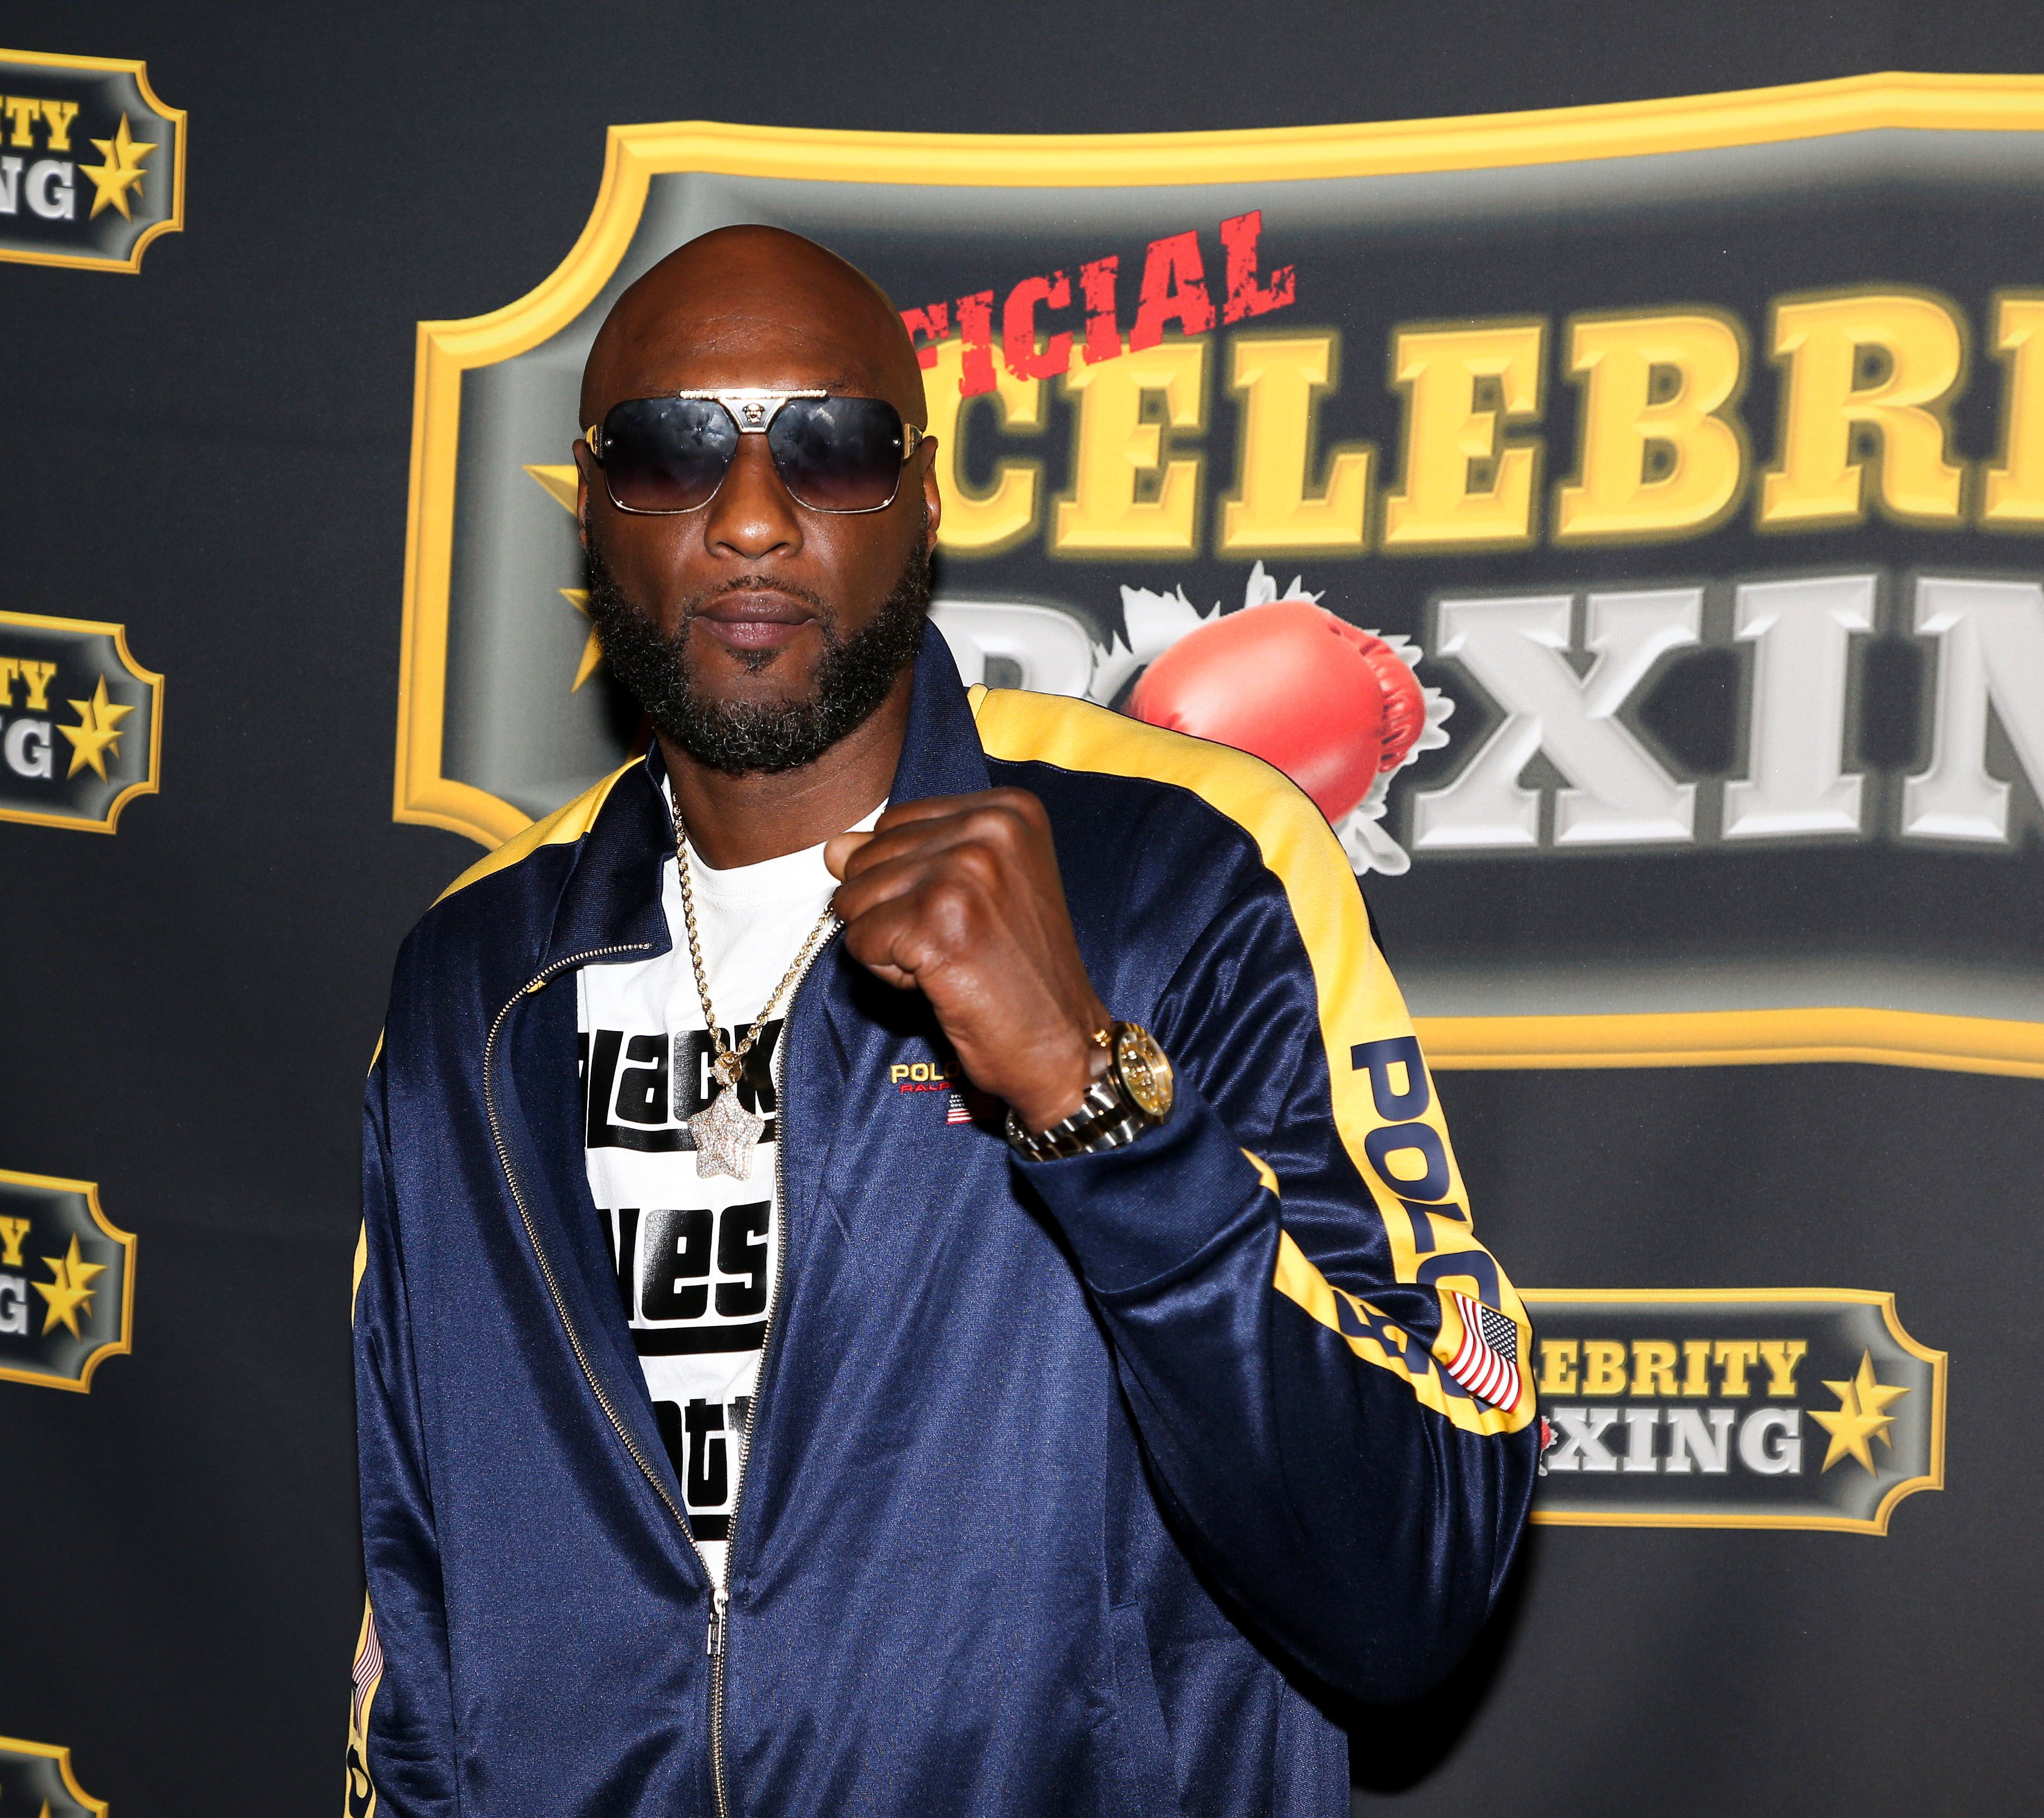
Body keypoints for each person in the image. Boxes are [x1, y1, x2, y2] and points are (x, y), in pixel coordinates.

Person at [349, 224, 1536, 1818]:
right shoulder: (475, 979)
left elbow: (1410, 1576)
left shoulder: (1188, 872)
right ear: (591, 507)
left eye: (831, 450)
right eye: (673, 449)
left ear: (923, 497)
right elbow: (420, 1625)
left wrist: (1094, 1101)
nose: (752, 516)